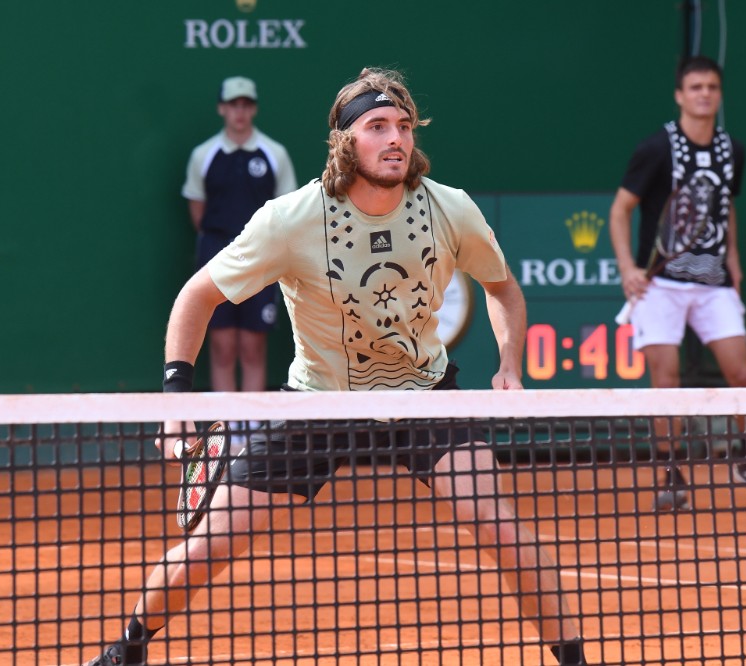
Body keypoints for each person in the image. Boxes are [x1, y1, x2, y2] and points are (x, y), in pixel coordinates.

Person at [88, 68, 589, 665]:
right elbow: (196, 297)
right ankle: (129, 649)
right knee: (212, 546)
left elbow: (504, 291)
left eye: (403, 125)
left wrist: (510, 363)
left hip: (423, 395)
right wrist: (177, 398)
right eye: (377, 126)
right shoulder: (291, 219)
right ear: (346, 140)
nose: (395, 138)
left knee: (499, 527)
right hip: (316, 403)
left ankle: (573, 659)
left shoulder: (450, 209)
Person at [608, 55, 746, 512]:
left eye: (711, 87)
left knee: (743, 376)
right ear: (680, 95)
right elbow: (620, 209)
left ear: (719, 94)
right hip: (660, 286)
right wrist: (629, 267)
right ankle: (671, 473)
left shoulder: (734, 151)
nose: (704, 94)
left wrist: (735, 262)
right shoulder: (656, 149)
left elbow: (726, 206)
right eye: (695, 87)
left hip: (715, 285)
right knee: (666, 382)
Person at [181, 75, 297, 432]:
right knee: (221, 346)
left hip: (262, 260)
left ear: (254, 109)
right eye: (233, 105)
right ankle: (227, 432)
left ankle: (250, 430)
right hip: (215, 255)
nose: (240, 112)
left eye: (246, 105)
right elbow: (198, 211)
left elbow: (286, 210)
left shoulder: (274, 154)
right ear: (222, 109)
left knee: (251, 346)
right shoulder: (204, 155)